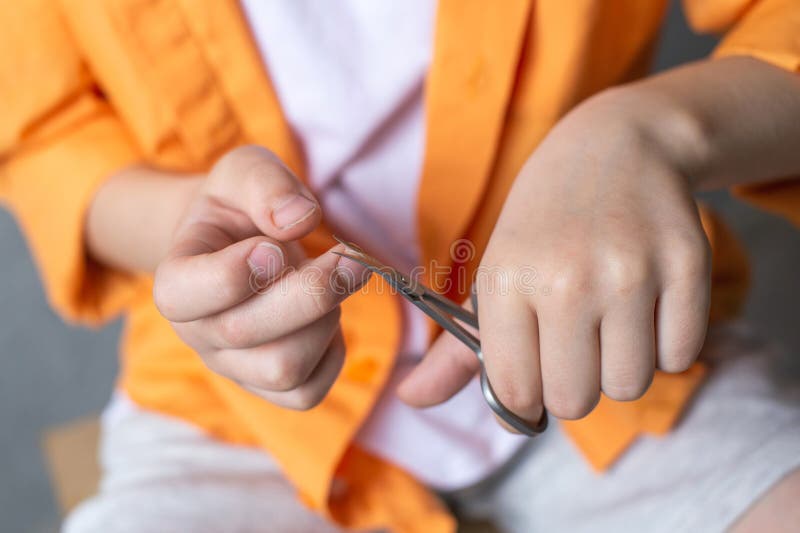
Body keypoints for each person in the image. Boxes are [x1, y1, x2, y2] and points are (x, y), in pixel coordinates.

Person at [2, 1, 799, 531]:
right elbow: (46, 140)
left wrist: (652, 131)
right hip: (229, 405)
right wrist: (195, 234)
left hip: (606, 347)